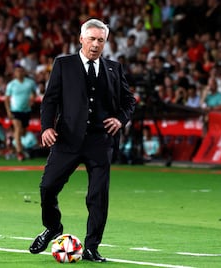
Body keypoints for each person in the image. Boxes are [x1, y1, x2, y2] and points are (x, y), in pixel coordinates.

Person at [28, 19, 136, 262]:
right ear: (81, 39)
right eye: (92, 39)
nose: (96, 44)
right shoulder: (63, 64)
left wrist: (120, 119)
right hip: (67, 139)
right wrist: (46, 127)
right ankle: (53, 227)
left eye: (101, 40)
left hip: (100, 142)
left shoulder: (114, 68)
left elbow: (129, 102)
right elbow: (50, 100)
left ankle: (91, 247)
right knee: (47, 188)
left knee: (98, 196)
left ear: (105, 42)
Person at [4, 64, 37, 161]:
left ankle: (16, 147)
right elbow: (6, 99)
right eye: (17, 71)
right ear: (14, 73)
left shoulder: (30, 83)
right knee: (17, 129)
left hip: (26, 110)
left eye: (21, 71)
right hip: (15, 110)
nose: (19, 73)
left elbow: (34, 94)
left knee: (23, 132)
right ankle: (19, 152)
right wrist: (8, 111)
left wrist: (32, 101)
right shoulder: (11, 84)